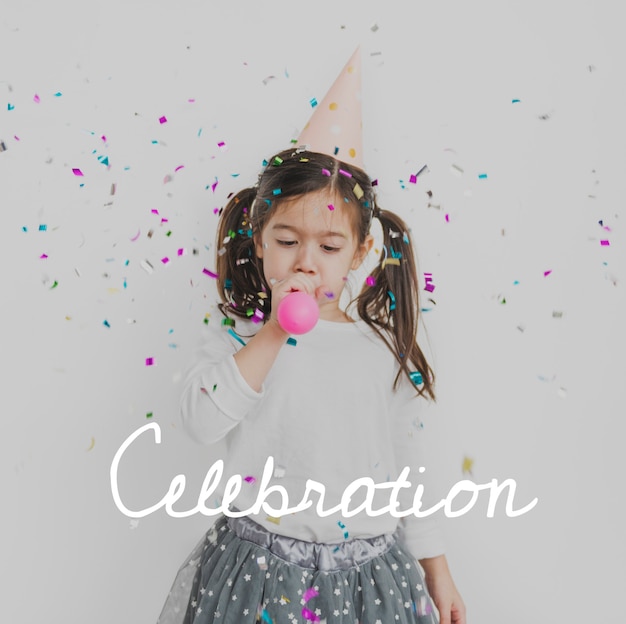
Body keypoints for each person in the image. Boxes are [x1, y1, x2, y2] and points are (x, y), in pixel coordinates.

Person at [157, 148, 466, 624]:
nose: (305, 263)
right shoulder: (238, 336)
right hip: (257, 573)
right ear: (259, 240)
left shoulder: (379, 348)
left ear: (359, 252)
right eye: (286, 241)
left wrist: (437, 568)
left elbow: (410, 466)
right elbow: (200, 423)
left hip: (369, 578)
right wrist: (273, 332)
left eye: (328, 247)